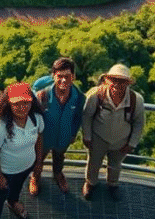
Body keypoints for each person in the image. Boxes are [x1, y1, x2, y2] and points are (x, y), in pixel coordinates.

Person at [0, 82, 45, 219]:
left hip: (26, 166)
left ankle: (13, 202)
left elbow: (39, 139)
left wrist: (38, 163)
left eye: (25, 102)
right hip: (6, 170)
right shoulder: (1, 127)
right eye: (16, 103)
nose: (22, 106)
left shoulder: (36, 119)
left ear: (31, 102)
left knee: (17, 188)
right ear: (9, 104)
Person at [81, 63, 145, 201]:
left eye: (122, 81)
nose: (117, 84)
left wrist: (132, 143)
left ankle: (113, 185)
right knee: (93, 162)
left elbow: (139, 123)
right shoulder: (96, 95)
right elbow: (86, 116)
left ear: (128, 83)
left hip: (121, 140)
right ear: (106, 80)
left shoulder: (136, 100)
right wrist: (87, 136)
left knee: (115, 165)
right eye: (114, 80)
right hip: (98, 137)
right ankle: (90, 183)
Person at [30, 57, 83, 195]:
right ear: (53, 76)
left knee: (59, 157)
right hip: (44, 137)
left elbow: (78, 117)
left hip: (64, 136)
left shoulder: (78, 97)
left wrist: (73, 134)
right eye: (60, 76)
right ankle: (35, 177)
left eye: (67, 76)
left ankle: (58, 175)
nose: (63, 80)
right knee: (38, 158)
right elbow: (32, 116)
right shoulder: (43, 95)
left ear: (73, 77)